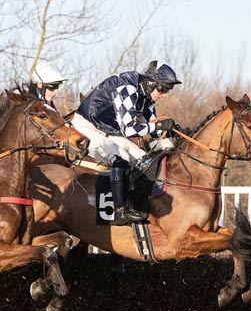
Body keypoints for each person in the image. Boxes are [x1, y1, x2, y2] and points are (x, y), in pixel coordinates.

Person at [74, 60, 181, 225]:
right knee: (120, 158)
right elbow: (130, 130)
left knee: (144, 158)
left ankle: (134, 205)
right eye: (163, 88)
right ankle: (119, 212)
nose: (165, 93)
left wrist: (169, 132)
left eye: (168, 89)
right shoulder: (127, 88)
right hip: (85, 127)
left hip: (108, 131)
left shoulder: (147, 95)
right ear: (151, 82)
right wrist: (158, 125)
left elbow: (152, 125)